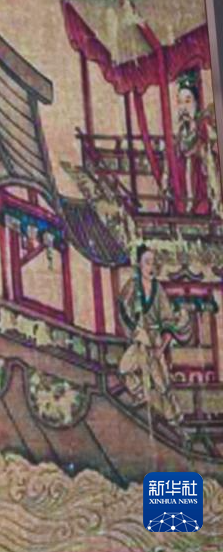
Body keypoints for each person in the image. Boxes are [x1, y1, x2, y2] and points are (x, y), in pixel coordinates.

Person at [117, 244, 190, 424]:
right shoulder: (132, 286)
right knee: (124, 369)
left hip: (155, 339)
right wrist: (135, 330)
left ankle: (174, 418)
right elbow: (123, 309)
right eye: (147, 262)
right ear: (139, 265)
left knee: (162, 382)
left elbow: (167, 322)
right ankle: (140, 394)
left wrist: (161, 347)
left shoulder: (159, 290)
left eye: (153, 263)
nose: (151, 267)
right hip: (139, 338)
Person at [171, 70, 220, 215]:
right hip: (182, 185)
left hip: (202, 179)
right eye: (180, 102)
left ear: (196, 103)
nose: (183, 107)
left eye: (187, 101)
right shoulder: (180, 132)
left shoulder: (203, 126)